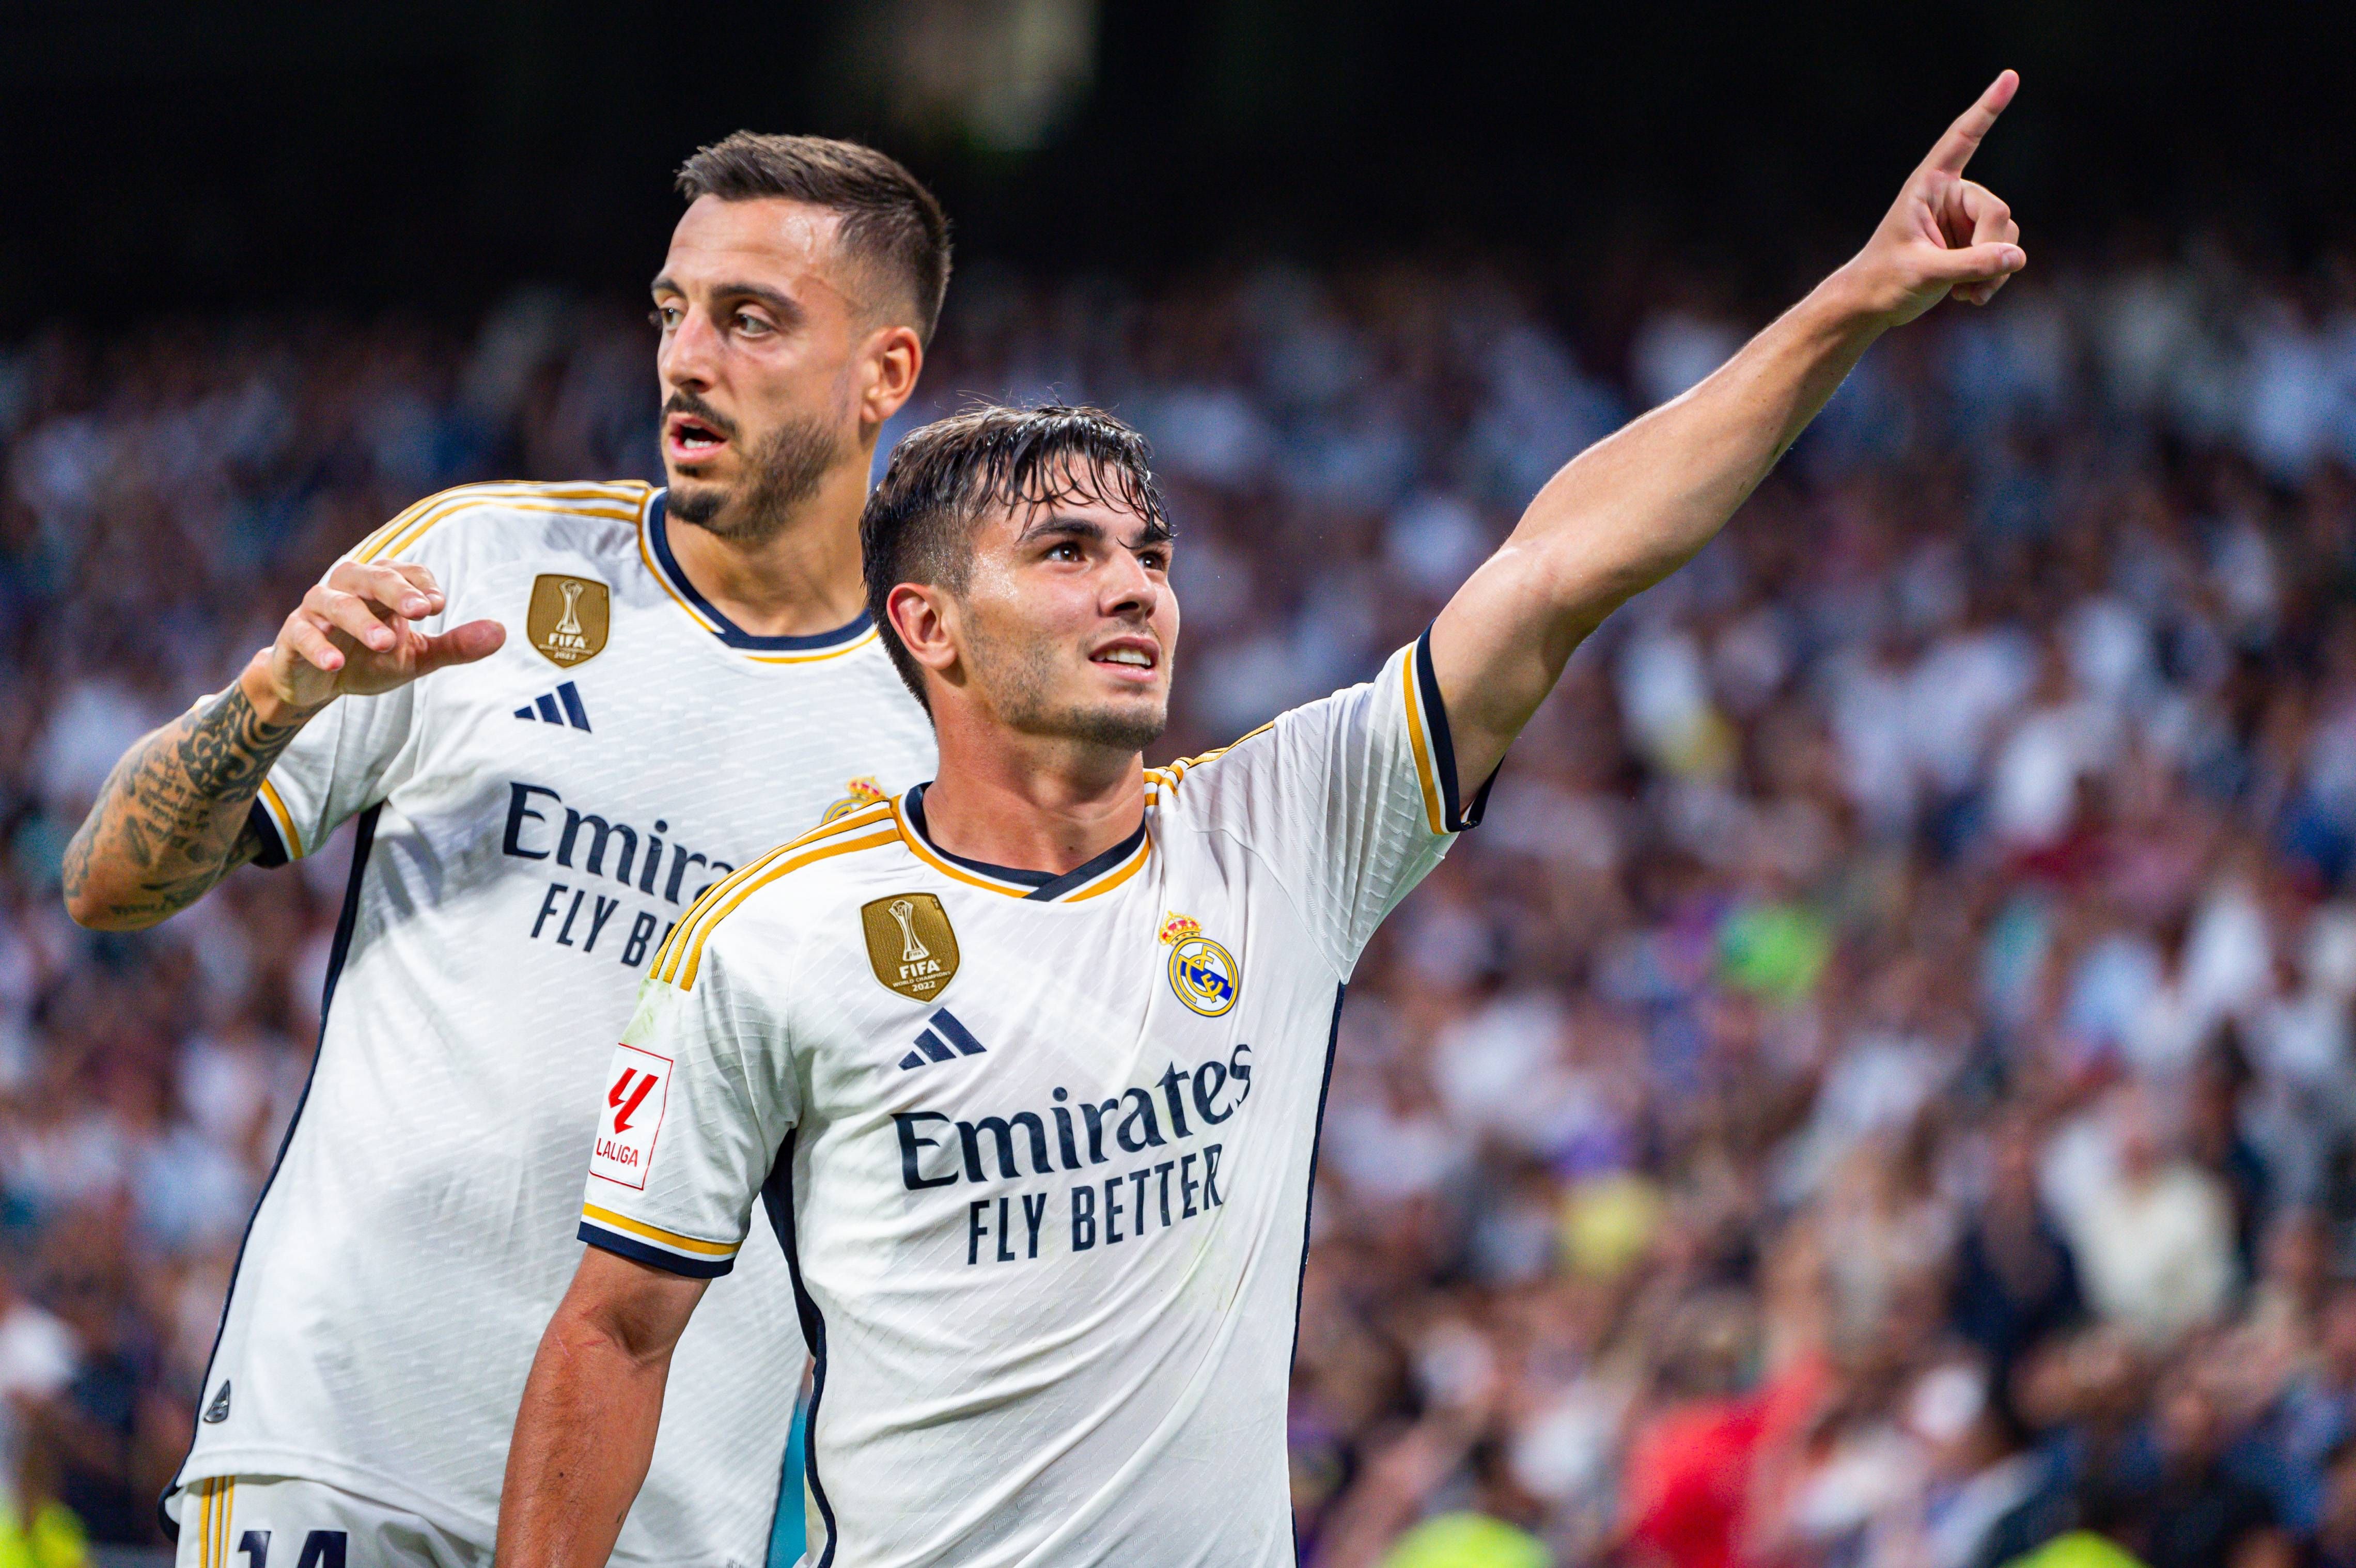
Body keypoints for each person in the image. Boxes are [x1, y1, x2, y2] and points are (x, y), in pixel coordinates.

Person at [496, 74, 2029, 1568]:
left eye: (1147, 552)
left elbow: (1562, 564)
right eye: (1065, 550)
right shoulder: (772, 936)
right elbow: (616, 1333)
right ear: (931, 626)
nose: (1133, 586)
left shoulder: (1279, 831)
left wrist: (1848, 303)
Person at [59, 133, 949, 1568]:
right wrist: (273, 696)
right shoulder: (479, 566)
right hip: (343, 1448)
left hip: (666, 1522)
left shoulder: (932, 748)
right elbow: (108, 880)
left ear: (885, 375)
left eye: (750, 318)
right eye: (671, 310)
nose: (685, 357)